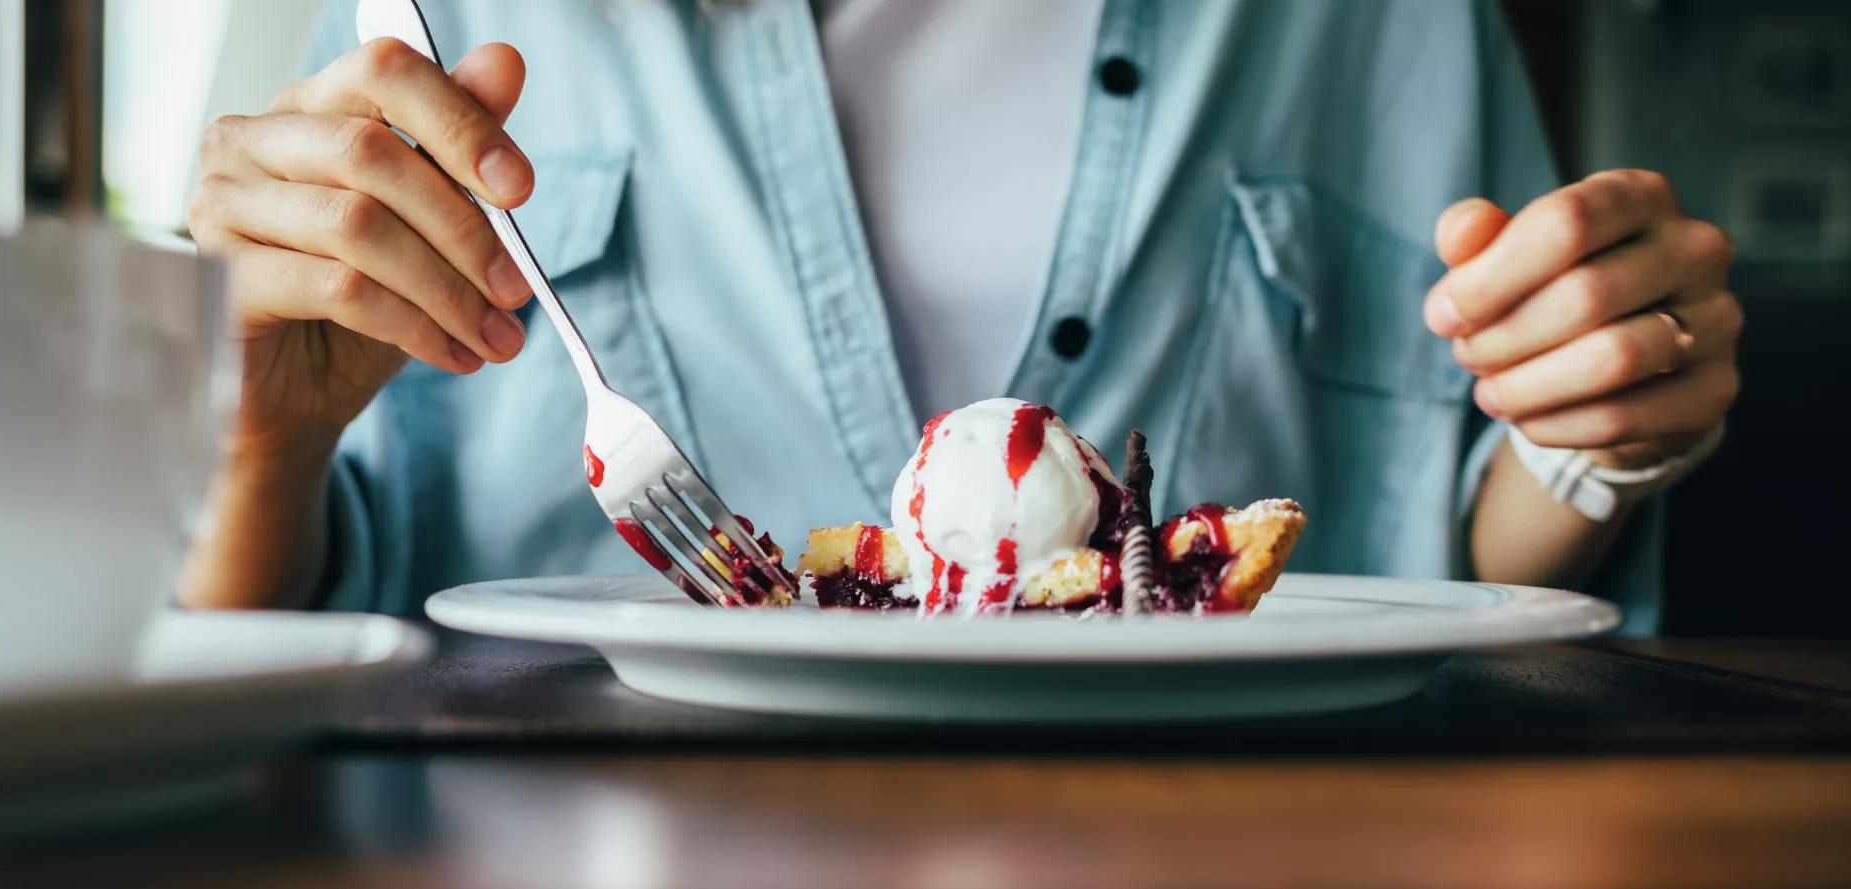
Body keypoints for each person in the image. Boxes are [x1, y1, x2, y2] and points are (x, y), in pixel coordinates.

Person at [179, 0, 1740, 633]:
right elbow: (299, 613)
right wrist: (257, 443)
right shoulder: (447, 16)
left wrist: (1595, 426)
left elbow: (1465, 548)